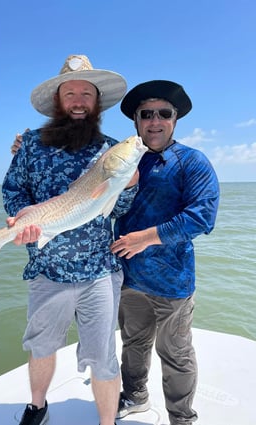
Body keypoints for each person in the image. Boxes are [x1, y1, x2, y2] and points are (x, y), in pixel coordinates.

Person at [2, 55, 139, 425]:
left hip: (98, 271)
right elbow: (14, 190)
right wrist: (21, 220)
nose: (78, 100)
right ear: (58, 101)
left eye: (86, 94)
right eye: (70, 93)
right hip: (47, 268)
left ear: (96, 103)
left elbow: (116, 209)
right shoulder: (29, 145)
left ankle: (107, 422)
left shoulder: (113, 150)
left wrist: (129, 185)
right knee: (41, 346)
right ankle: (37, 406)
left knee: (103, 355)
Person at [110, 80, 220, 425]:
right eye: (147, 114)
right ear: (136, 122)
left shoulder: (192, 161)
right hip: (129, 277)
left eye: (163, 114)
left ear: (175, 119)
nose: (155, 121)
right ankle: (135, 396)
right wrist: (30, 146)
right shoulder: (121, 159)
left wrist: (148, 237)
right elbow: (81, 176)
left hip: (173, 281)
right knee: (133, 344)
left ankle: (181, 417)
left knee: (176, 353)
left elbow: (203, 217)